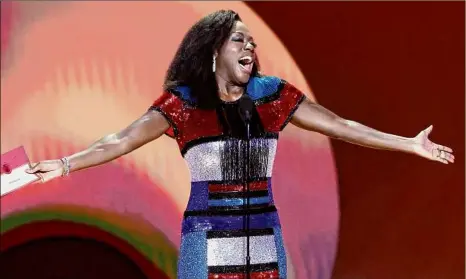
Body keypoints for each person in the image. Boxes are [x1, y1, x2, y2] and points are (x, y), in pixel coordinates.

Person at [26, 10, 454, 279]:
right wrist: (65, 165)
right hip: (206, 242)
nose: (250, 45)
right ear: (214, 52)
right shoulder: (184, 104)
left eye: (252, 41)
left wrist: (408, 144)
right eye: (239, 39)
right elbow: (119, 139)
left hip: (265, 240)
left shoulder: (272, 95)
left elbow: (340, 125)